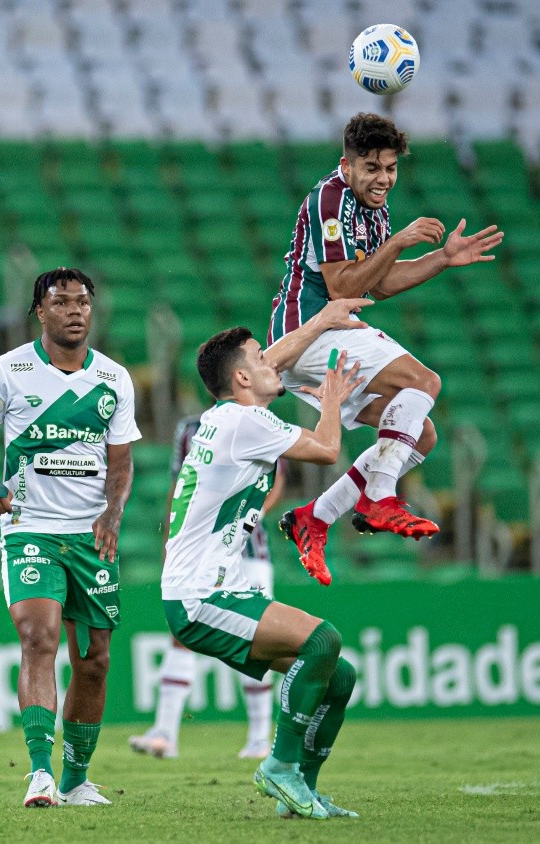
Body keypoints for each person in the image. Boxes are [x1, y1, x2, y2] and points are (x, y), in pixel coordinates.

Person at [268, 112, 504, 585]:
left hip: (330, 333)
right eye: (372, 167)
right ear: (347, 165)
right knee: (424, 381)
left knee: (421, 435)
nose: (383, 178)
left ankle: (314, 517)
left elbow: (380, 283)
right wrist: (398, 241)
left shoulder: (374, 207)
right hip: (309, 330)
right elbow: (342, 286)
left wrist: (441, 258)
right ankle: (379, 497)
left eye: (391, 168)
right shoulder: (330, 199)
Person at [161, 297, 371, 820]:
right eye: (258, 358)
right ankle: (278, 765)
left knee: (337, 675)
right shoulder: (243, 422)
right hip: (201, 593)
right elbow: (327, 449)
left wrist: (321, 320)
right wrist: (332, 399)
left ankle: (300, 791)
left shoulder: (229, 414)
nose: (270, 362)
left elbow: (271, 363)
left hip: (213, 587)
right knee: (322, 640)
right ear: (241, 378)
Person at [0, 267, 141, 808]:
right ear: (40, 311)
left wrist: (113, 514)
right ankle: (40, 773)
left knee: (95, 659)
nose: (75, 311)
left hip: (90, 535)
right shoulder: (8, 370)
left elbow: (121, 462)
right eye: (61, 302)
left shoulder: (114, 378)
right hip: (29, 527)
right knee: (38, 637)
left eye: (82, 302)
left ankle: (75, 779)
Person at [129, 410, 287, 760]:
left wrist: (251, 515)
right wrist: (170, 543)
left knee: (259, 637)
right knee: (183, 633)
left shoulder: (262, 421)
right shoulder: (189, 428)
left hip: (249, 551)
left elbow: (278, 480)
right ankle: (165, 733)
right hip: (199, 551)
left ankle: (259, 738)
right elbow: (177, 488)